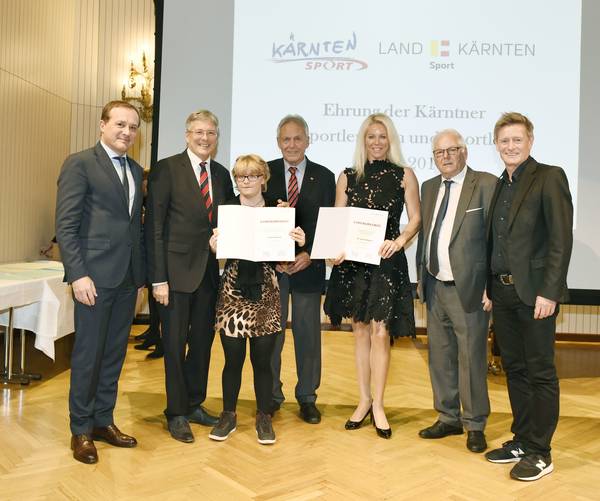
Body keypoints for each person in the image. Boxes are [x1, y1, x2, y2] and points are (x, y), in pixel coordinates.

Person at [485, 112, 573, 481]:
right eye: (504, 141)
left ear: (530, 141)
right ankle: (522, 440)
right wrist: (489, 288)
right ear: (496, 144)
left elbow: (560, 240)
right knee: (515, 370)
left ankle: (540, 452)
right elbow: (494, 242)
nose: (511, 146)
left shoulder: (549, 177)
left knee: (540, 373)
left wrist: (549, 292)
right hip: (503, 294)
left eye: (517, 140)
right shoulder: (499, 184)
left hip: (536, 296)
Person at [55, 100, 145, 464]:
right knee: (88, 355)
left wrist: (140, 277)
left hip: (126, 279)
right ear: (102, 125)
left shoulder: (136, 169)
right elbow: (66, 225)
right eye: (120, 124)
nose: (127, 132)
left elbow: (132, 227)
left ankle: (103, 421)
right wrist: (77, 274)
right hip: (92, 278)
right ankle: (80, 429)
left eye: (133, 127)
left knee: (113, 354)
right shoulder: (80, 163)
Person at [324, 113, 421, 438]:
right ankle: (363, 400)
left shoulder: (404, 174)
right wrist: (333, 249)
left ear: (390, 140)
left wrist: (400, 241)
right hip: (353, 264)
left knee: (381, 332)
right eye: (371, 136)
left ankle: (379, 404)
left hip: (386, 262)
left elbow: (416, 218)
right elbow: (337, 219)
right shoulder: (348, 176)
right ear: (363, 140)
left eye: (382, 136)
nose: (377, 142)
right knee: (360, 331)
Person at [145, 109, 234, 443]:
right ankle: (176, 412)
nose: (204, 138)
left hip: (208, 275)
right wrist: (158, 279)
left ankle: (194, 403)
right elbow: (154, 227)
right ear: (187, 135)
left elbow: (231, 219)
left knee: (201, 345)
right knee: (173, 345)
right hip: (174, 276)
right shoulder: (167, 169)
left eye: (211, 133)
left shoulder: (221, 174)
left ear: (217, 137)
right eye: (199, 132)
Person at [208, 154, 306, 444]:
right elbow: (220, 248)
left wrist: (298, 241)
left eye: (252, 175)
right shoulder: (227, 209)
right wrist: (214, 246)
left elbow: (285, 253)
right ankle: (228, 415)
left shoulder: (279, 209)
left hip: (266, 290)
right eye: (240, 176)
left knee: (263, 361)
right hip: (233, 290)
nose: (246, 181)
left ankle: (264, 416)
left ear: (264, 178)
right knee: (232, 360)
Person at [416, 129, 496, 453]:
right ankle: (448, 417)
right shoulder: (428, 187)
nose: (446, 156)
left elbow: (495, 239)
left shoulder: (486, 184)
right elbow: (427, 234)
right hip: (435, 285)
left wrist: (491, 284)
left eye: (452, 150)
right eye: (439, 152)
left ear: (464, 152)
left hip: (470, 289)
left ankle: (475, 424)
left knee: (471, 359)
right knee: (440, 357)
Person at [265, 115, 335, 424]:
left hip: (309, 267)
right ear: (278, 142)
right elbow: (258, 218)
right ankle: (271, 395)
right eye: (286, 139)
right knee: (272, 336)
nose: (291, 144)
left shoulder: (325, 176)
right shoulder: (265, 174)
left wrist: (310, 255)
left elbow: (329, 223)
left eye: (297, 138)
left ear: (308, 140)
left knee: (308, 337)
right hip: (273, 270)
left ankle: (307, 397)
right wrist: (274, 257)